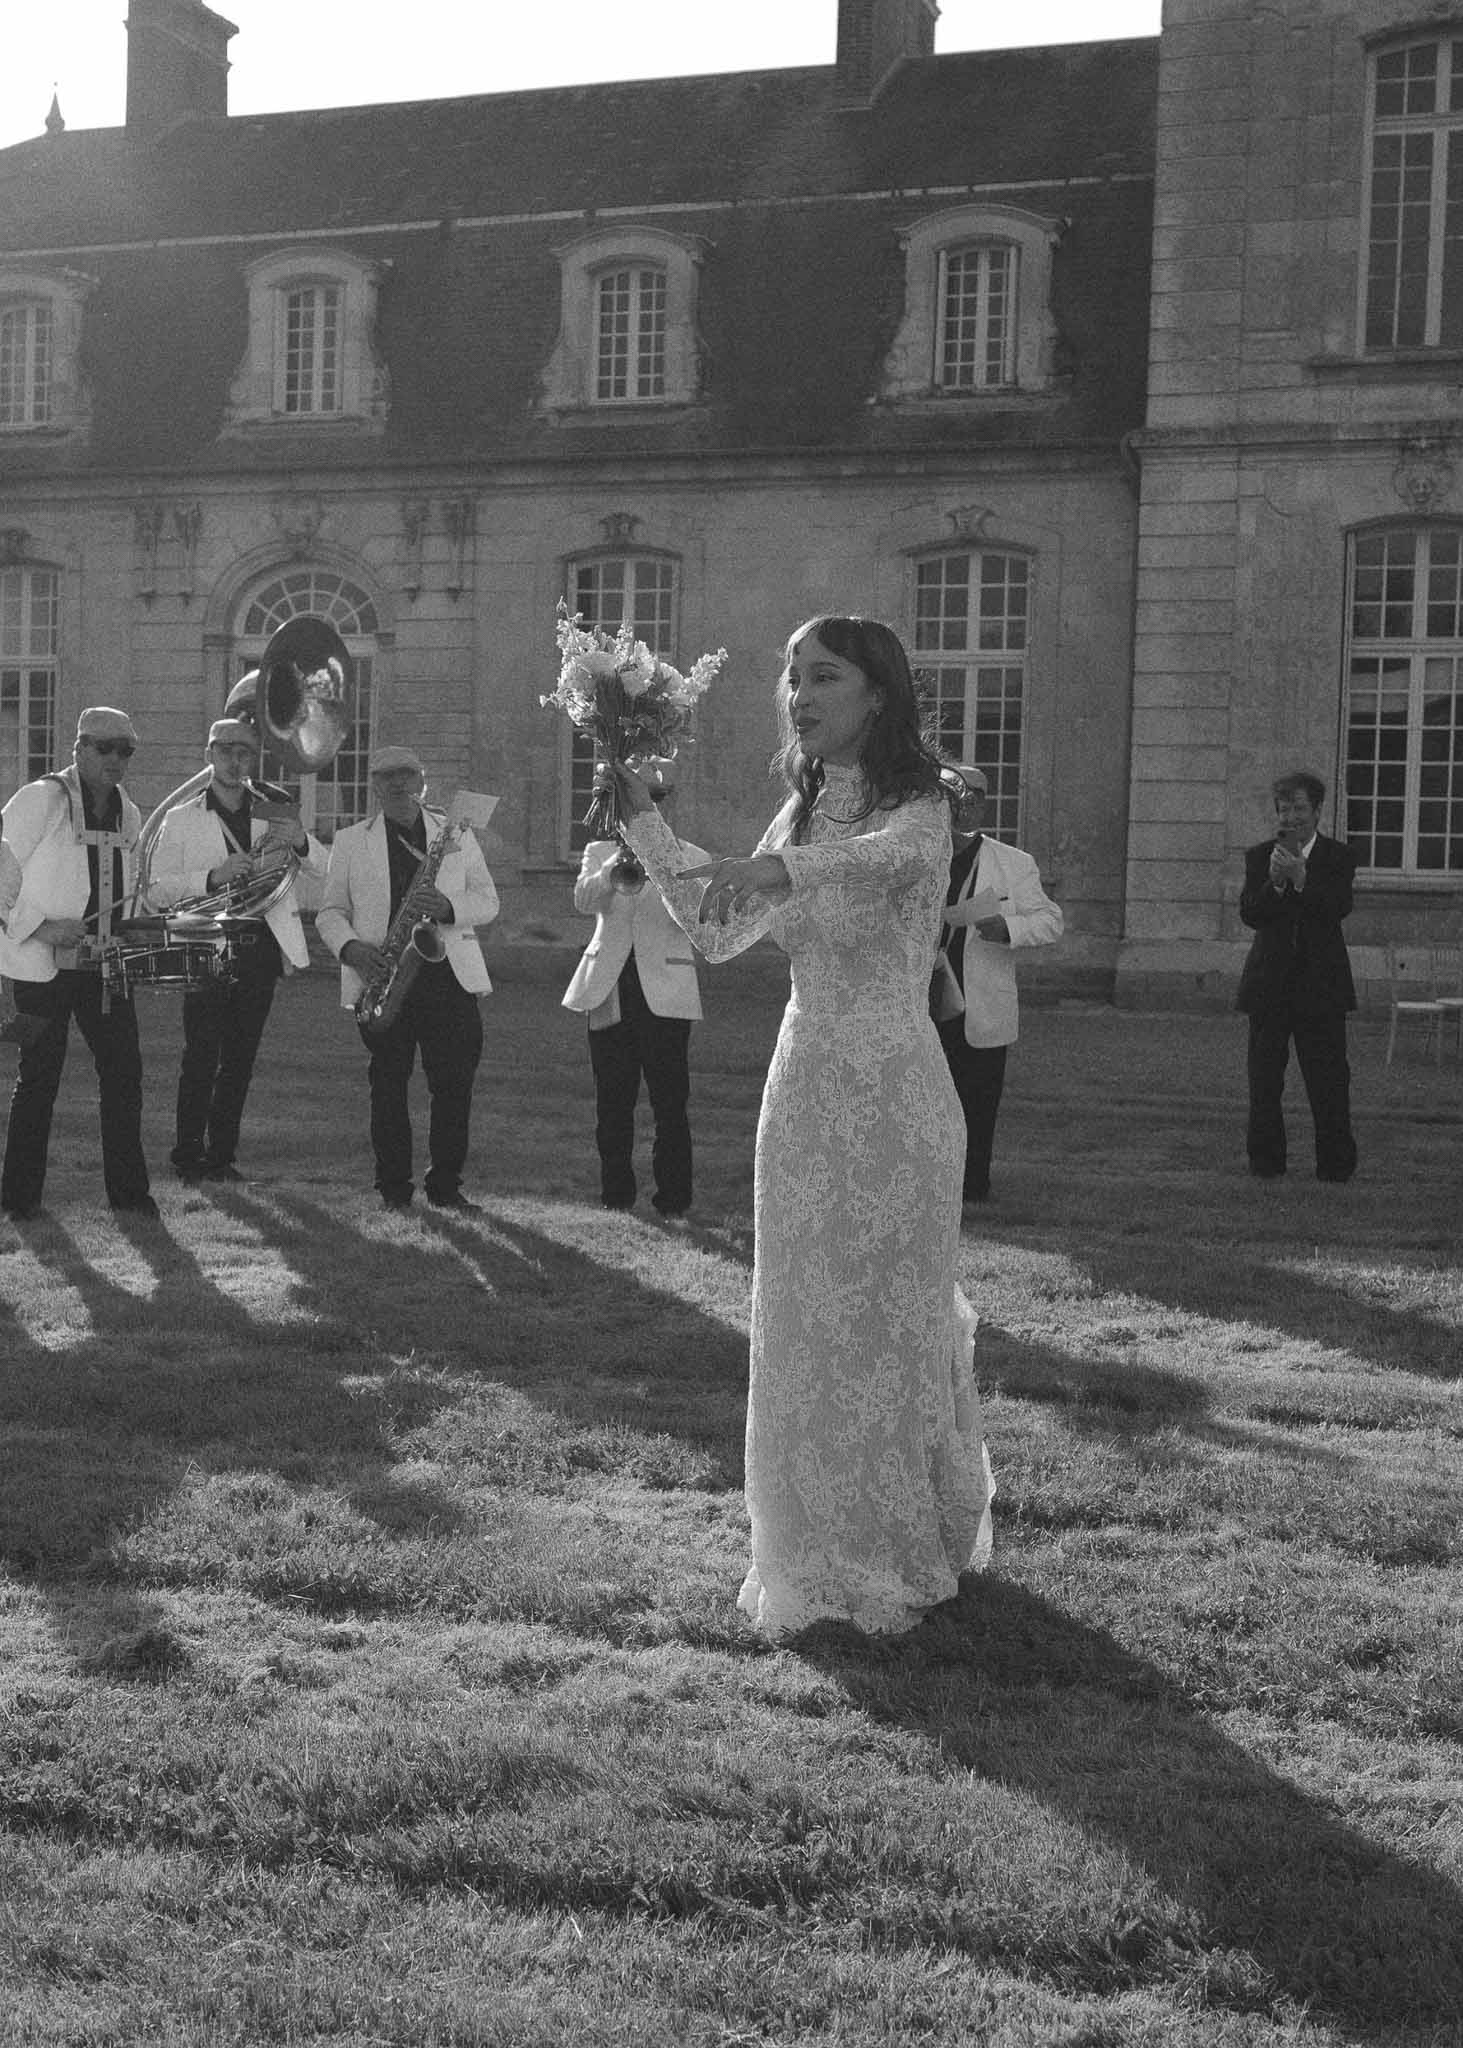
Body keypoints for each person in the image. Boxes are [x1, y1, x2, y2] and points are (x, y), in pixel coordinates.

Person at [615, 614, 994, 1639]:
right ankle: (804, 1545)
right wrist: (640, 822)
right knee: (802, 1320)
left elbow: (890, 857)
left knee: (882, 1315)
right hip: (801, 1088)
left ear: (877, 692)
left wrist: (780, 869)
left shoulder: (922, 801)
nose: (799, 693)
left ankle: (898, 1538)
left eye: (822, 675)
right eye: (791, 677)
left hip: (896, 1089)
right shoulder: (796, 810)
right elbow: (717, 927)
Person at [317, 744, 498, 1211]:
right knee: (388, 1087)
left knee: (453, 1087)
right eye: (384, 776)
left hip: (448, 976)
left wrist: (450, 907)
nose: (396, 784)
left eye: (405, 774)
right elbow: (330, 913)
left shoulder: (455, 834)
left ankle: (446, 1187)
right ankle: (394, 1188)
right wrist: (352, 949)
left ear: (421, 780)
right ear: (374, 785)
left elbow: (489, 902)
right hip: (383, 974)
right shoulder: (351, 839)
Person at [148, 716, 326, 1184]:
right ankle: (188, 1155)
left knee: (240, 1059)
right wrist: (212, 876)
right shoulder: (180, 818)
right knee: (201, 1055)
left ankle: (222, 1158)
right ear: (209, 755)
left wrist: (303, 843)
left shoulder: (277, 809)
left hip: (259, 948)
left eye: (244, 751)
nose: (234, 758)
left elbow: (325, 877)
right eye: (224, 749)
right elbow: (156, 891)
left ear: (254, 758)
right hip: (204, 944)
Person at [0, 706, 156, 1220]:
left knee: (124, 1073)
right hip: (40, 965)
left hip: (103, 966)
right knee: (40, 1075)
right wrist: (40, 927)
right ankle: (19, 1201)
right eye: (105, 747)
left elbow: (127, 890)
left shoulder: (128, 812)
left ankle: (130, 1197)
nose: (116, 759)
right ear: (80, 748)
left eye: (126, 750)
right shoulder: (43, 798)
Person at [561, 766, 707, 1218]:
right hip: (609, 988)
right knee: (613, 1101)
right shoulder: (599, 851)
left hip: (666, 992)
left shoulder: (689, 854)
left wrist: (659, 862)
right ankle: (616, 1196)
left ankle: (673, 1199)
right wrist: (613, 866)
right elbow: (584, 901)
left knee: (670, 1103)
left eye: (652, 802)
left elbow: (698, 919)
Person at [933, 762, 1063, 1208]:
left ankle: (972, 1189)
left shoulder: (1014, 863)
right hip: (920, 1000)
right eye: (953, 799)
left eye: (973, 799)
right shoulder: (918, 857)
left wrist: (1006, 927)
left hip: (981, 1003)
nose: (962, 808)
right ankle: (925, 1188)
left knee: (978, 1102)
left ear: (985, 805)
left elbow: (1050, 921)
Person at [1236, 769, 1358, 1183]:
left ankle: (1335, 1167)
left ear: (1318, 811)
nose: (1291, 817)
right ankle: (1266, 1165)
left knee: (1328, 1082)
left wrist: (1304, 880)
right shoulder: (1258, 856)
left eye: (1300, 808)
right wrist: (1275, 884)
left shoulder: (1339, 857)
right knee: (1265, 1083)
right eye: (1284, 809)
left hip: (1321, 988)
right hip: (1269, 986)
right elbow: (1250, 913)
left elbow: (1338, 907)